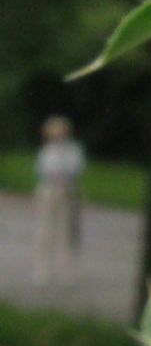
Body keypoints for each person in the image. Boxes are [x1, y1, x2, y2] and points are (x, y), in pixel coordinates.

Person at [33, 115, 85, 285]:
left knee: (67, 231)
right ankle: (43, 269)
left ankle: (67, 270)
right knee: (46, 230)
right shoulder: (47, 151)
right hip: (49, 191)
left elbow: (76, 168)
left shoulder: (72, 150)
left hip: (68, 193)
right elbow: (43, 170)